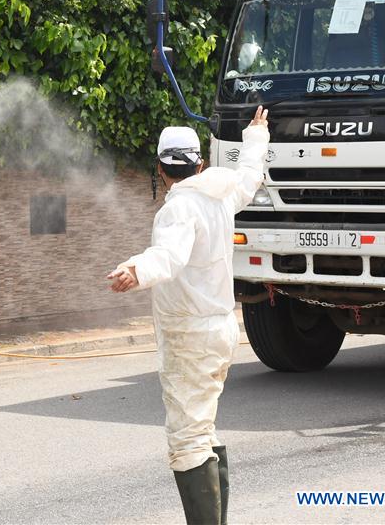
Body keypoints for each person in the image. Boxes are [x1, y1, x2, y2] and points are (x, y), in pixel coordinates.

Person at [107, 106, 270, 525]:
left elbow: (170, 256)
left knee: (188, 441)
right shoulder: (221, 194)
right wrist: (255, 136)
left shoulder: (177, 209)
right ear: (198, 163)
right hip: (219, 329)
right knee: (204, 432)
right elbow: (251, 176)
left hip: (190, 337)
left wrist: (135, 270)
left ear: (160, 169)